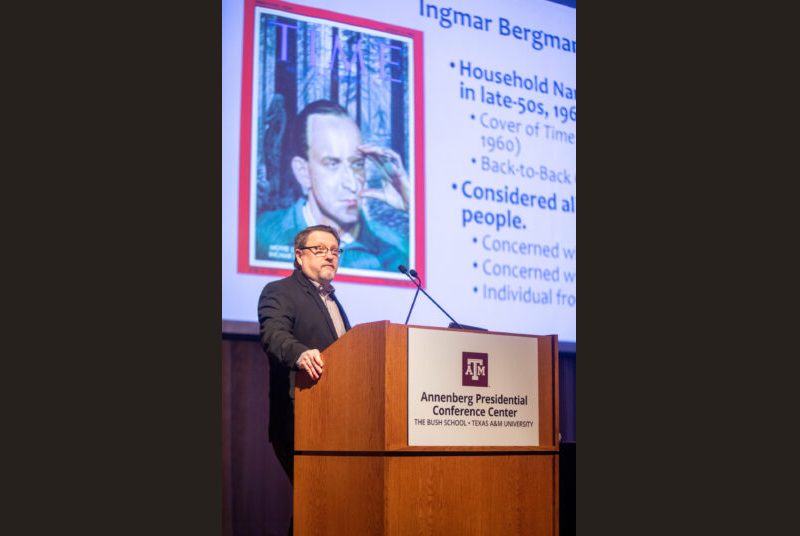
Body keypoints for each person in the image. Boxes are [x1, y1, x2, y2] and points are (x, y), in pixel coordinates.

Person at [255, 99, 410, 271]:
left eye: (357, 164)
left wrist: (412, 206)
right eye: (332, 164)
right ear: (303, 172)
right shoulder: (260, 235)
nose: (352, 184)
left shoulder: (395, 250)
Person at [257, 224, 351, 497]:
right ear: (299, 256)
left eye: (334, 250)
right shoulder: (280, 291)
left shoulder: (332, 300)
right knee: (315, 500)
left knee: (322, 507)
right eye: (319, 249)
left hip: (337, 419)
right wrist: (299, 353)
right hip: (300, 417)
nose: (330, 256)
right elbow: (273, 334)